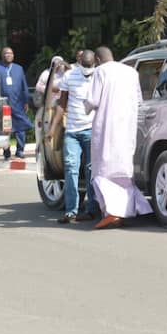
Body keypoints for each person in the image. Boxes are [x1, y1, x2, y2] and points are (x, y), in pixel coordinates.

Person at [83, 46, 152, 229]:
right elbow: (139, 100)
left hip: (107, 128)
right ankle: (123, 211)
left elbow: (92, 101)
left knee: (103, 170)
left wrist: (85, 105)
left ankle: (111, 212)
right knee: (123, 170)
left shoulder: (100, 72)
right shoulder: (131, 71)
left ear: (97, 59)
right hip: (127, 128)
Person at [57, 49, 102, 224]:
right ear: (79, 63)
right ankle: (71, 211)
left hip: (92, 129)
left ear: (95, 63)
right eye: (84, 66)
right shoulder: (69, 76)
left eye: (89, 66)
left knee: (91, 169)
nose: (87, 69)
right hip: (72, 130)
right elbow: (62, 103)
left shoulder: (100, 76)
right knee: (70, 167)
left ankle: (91, 209)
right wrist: (53, 128)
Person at [0, 46, 32, 160]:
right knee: (5, 128)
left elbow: (24, 85)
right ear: (2, 55)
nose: (9, 55)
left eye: (11, 53)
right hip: (3, 104)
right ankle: (6, 150)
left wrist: (26, 101)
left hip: (18, 103)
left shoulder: (18, 68)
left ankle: (20, 150)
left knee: (20, 127)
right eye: (6, 53)